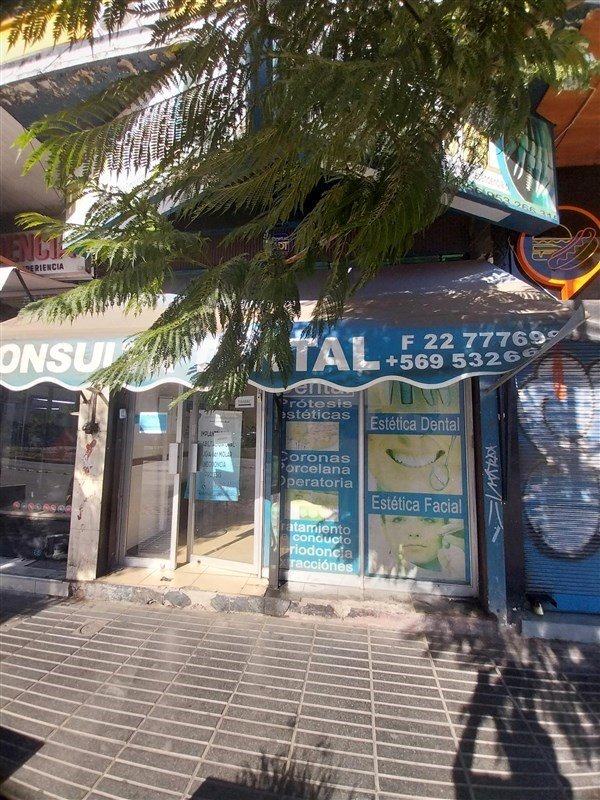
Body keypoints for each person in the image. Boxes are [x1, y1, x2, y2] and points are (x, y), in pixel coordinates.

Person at [371, 514, 466, 580]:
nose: (413, 532)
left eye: (428, 519)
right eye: (398, 519)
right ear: (384, 528)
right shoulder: (375, 578)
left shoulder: (461, 572)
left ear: (447, 526)